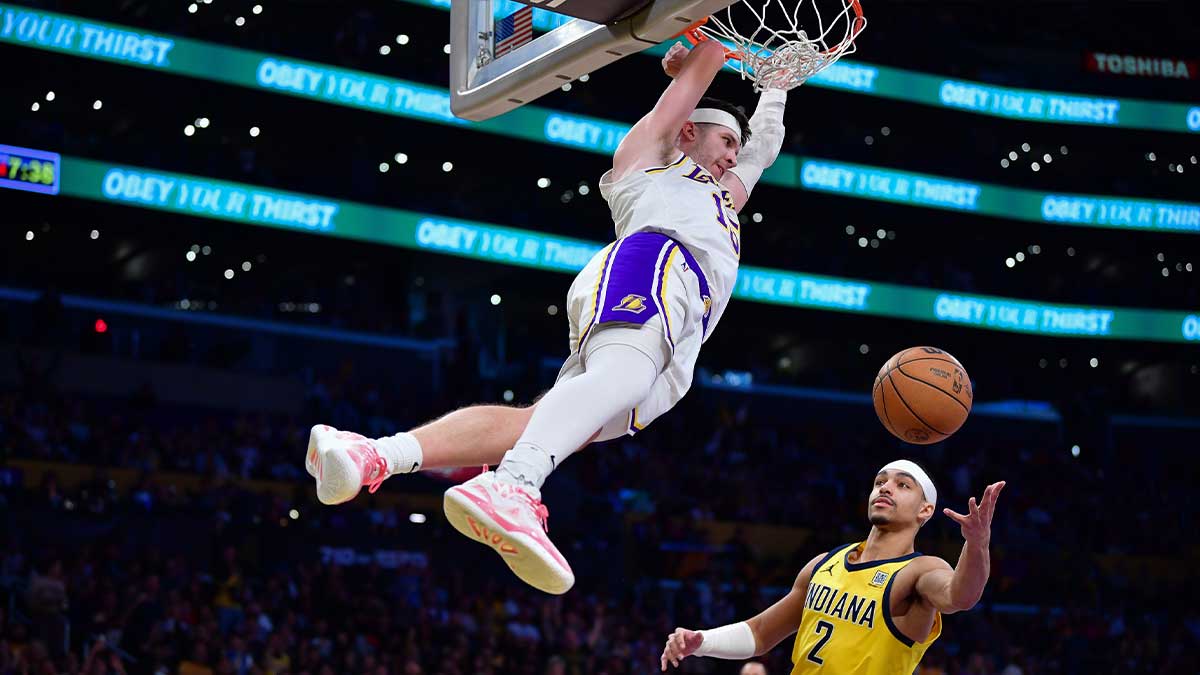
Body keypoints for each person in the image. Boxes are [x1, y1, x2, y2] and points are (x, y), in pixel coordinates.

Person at [305, 37, 788, 595]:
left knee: (546, 426)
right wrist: (704, 43)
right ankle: (512, 486)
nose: (734, 155)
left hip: (684, 327)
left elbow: (763, 148)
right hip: (653, 265)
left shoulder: (722, 198)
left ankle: (372, 455)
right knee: (614, 384)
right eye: (725, 140)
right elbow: (688, 86)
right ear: (688, 134)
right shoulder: (651, 156)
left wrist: (776, 82)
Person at [660, 462, 1005, 674]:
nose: (886, 487)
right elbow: (761, 632)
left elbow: (962, 595)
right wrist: (701, 641)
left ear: (925, 511)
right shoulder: (824, 563)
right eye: (880, 481)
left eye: (903, 485)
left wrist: (976, 544)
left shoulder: (918, 571)